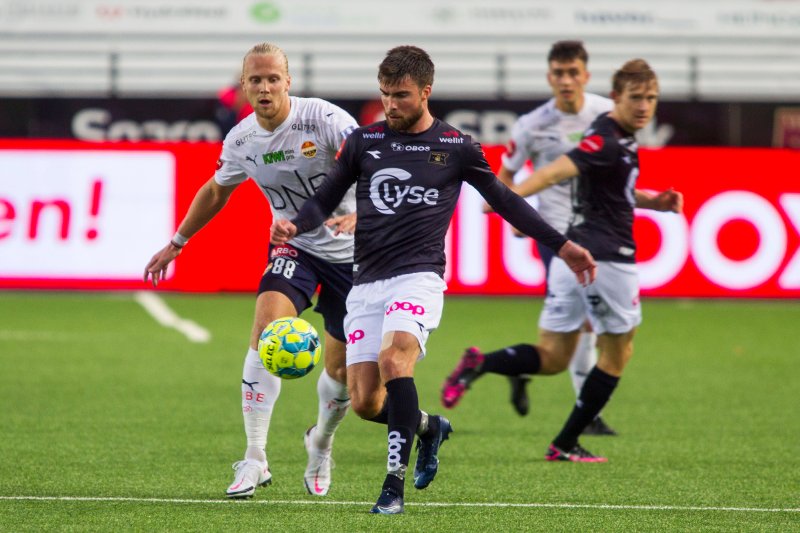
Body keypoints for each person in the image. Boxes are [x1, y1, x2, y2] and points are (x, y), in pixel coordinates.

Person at [271, 45, 597, 513]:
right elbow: (323, 200)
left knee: (395, 360)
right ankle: (429, 428)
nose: (390, 105)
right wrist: (296, 225)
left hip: (419, 277)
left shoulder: (457, 148)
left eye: (401, 95)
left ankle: (392, 488)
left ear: (426, 91)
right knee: (364, 401)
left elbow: (507, 201)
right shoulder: (363, 142)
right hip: (365, 284)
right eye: (384, 94)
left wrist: (563, 246)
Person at [143, 42, 359, 498]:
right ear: (244, 86)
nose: (264, 88)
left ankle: (320, 443)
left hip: (353, 254)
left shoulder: (324, 119)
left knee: (343, 375)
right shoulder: (241, 139)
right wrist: (176, 243)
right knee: (265, 332)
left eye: (272, 79)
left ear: (288, 82)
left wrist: (362, 214)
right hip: (294, 247)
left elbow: (372, 164)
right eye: (255, 80)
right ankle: (255, 457)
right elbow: (216, 191)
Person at [442, 59, 682, 462]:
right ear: (616, 99)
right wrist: (506, 201)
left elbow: (609, 188)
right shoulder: (603, 139)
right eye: (636, 98)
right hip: (607, 261)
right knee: (617, 353)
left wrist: (653, 202)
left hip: (573, 259)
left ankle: (483, 362)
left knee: (553, 356)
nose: (645, 107)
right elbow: (554, 173)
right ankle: (566, 442)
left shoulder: (617, 137)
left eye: (652, 98)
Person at [441, 40, 617, 436]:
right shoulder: (532, 125)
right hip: (559, 237)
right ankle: (585, 414)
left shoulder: (606, 114)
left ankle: (521, 371)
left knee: (576, 333)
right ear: (549, 76)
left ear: (586, 76)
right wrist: (510, 213)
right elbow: (505, 177)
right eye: (559, 72)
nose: (566, 80)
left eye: (573, 72)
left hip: (602, 232)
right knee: (590, 324)